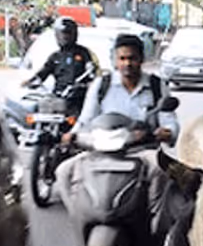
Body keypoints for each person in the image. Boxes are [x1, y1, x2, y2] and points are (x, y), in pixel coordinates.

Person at [56, 34, 179, 232]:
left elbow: (170, 121)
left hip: (141, 151)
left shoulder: (157, 86)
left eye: (132, 58)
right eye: (122, 58)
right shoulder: (101, 85)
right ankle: (80, 219)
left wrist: (166, 132)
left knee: (159, 170)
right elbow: (86, 119)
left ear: (141, 60)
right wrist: (72, 135)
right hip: (101, 151)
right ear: (115, 60)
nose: (127, 63)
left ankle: (154, 225)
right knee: (63, 172)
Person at [28, 17, 100, 114]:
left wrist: (88, 81)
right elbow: (42, 73)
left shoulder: (84, 53)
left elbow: (92, 71)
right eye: (62, 33)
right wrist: (28, 83)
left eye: (67, 33)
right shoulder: (55, 57)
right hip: (59, 95)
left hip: (78, 98)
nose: (64, 37)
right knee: (39, 106)